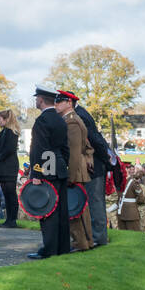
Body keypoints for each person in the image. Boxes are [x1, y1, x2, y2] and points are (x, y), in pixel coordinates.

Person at [62, 91, 115, 247]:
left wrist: (107, 160)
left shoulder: (80, 116)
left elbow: (95, 140)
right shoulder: (80, 113)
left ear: (69, 102)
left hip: (95, 166)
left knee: (95, 203)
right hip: (95, 164)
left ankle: (99, 238)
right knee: (92, 202)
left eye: (60, 101)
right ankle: (94, 237)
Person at [27, 84, 71, 259]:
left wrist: (37, 173)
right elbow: (65, 148)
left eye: (37, 98)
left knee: (47, 210)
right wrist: (62, 165)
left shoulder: (42, 121)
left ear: (41, 100)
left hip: (46, 169)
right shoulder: (60, 119)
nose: (36, 101)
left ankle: (49, 249)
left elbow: (39, 149)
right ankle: (62, 247)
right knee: (61, 210)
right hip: (58, 167)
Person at [54, 92, 94, 251]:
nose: (56, 105)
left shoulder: (71, 122)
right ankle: (86, 241)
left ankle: (81, 242)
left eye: (59, 102)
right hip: (77, 170)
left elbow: (74, 151)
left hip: (75, 171)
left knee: (75, 208)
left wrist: (70, 176)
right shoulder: (72, 120)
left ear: (69, 102)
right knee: (80, 209)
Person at [0, 109, 21, 226]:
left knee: (11, 194)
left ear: (6, 119)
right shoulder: (3, 132)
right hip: (2, 167)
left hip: (9, 166)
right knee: (6, 193)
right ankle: (8, 219)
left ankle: (12, 219)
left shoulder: (11, 132)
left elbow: (9, 149)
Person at [115, 163, 145, 233]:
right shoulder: (134, 182)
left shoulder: (119, 182)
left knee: (123, 233)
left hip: (120, 211)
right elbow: (141, 198)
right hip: (131, 212)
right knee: (134, 232)